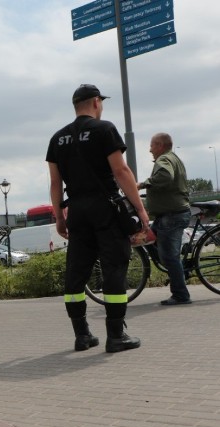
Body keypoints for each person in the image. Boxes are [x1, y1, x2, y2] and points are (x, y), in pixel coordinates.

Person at [46, 84, 149, 353]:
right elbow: (121, 170)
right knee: (114, 268)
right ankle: (116, 336)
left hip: (77, 211)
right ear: (95, 102)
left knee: (76, 273)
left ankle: (82, 336)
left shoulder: (57, 138)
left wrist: (59, 217)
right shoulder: (104, 130)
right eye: (101, 103)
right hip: (105, 208)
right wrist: (140, 210)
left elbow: (55, 183)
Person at [138, 133, 191, 305]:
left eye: (152, 146)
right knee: (151, 240)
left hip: (172, 214)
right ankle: (178, 272)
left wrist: (145, 183)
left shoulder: (163, 160)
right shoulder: (173, 157)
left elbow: (165, 176)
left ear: (160, 145)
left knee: (169, 257)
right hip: (170, 214)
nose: (149, 150)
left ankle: (181, 295)